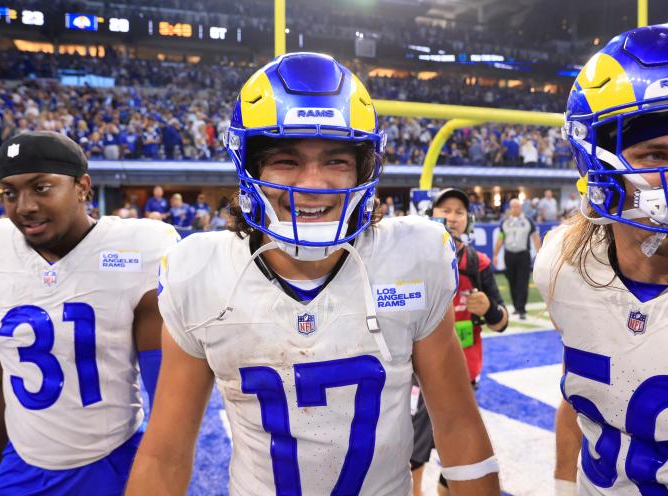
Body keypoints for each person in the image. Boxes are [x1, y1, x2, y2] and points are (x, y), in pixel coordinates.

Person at [126, 52, 500, 496]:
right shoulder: (202, 275)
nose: (313, 183)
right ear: (250, 169)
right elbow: (165, 453)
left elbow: (457, 425)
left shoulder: (411, 258)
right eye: (286, 160)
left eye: (336, 161)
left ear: (364, 167)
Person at [534, 23, 668, 496]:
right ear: (596, 167)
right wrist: (562, 484)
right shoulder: (563, 265)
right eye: (656, 153)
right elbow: (583, 394)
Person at [0, 131, 179, 495]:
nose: (24, 206)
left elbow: (166, 391)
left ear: (82, 187)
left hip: (109, 459)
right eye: (9, 193)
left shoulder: (139, 248)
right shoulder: (0, 247)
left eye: (41, 187)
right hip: (22, 460)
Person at [412, 188, 508, 496]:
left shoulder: (476, 262)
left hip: (466, 370)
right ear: (431, 214)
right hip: (420, 372)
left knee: (459, 447)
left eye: (459, 212)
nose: (452, 218)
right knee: (415, 445)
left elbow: (501, 321)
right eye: (445, 210)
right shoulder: (414, 258)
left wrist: (488, 308)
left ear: (468, 220)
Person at [494, 198, 541, 319]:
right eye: (513, 207)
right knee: (511, 281)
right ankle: (516, 307)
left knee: (523, 282)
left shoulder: (528, 221)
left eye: (517, 206)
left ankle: (522, 309)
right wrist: (495, 255)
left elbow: (535, 237)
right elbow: (500, 239)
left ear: (521, 208)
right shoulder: (504, 222)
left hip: (523, 255)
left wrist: (540, 253)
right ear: (510, 208)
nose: (515, 209)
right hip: (509, 255)